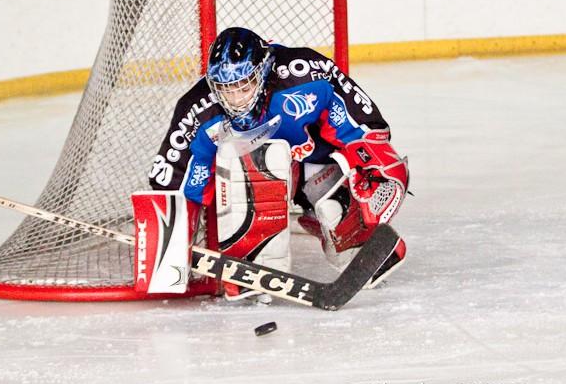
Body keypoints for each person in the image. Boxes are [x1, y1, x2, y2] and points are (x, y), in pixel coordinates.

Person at [149, 27, 408, 300]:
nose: (236, 99)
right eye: (226, 89)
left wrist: (375, 174)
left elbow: (366, 131)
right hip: (245, 187)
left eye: (244, 86)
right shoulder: (197, 110)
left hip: (312, 168)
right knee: (249, 162)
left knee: (334, 203)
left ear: (263, 72)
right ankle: (254, 260)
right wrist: (170, 246)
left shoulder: (306, 73)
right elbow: (173, 188)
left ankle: (358, 244)